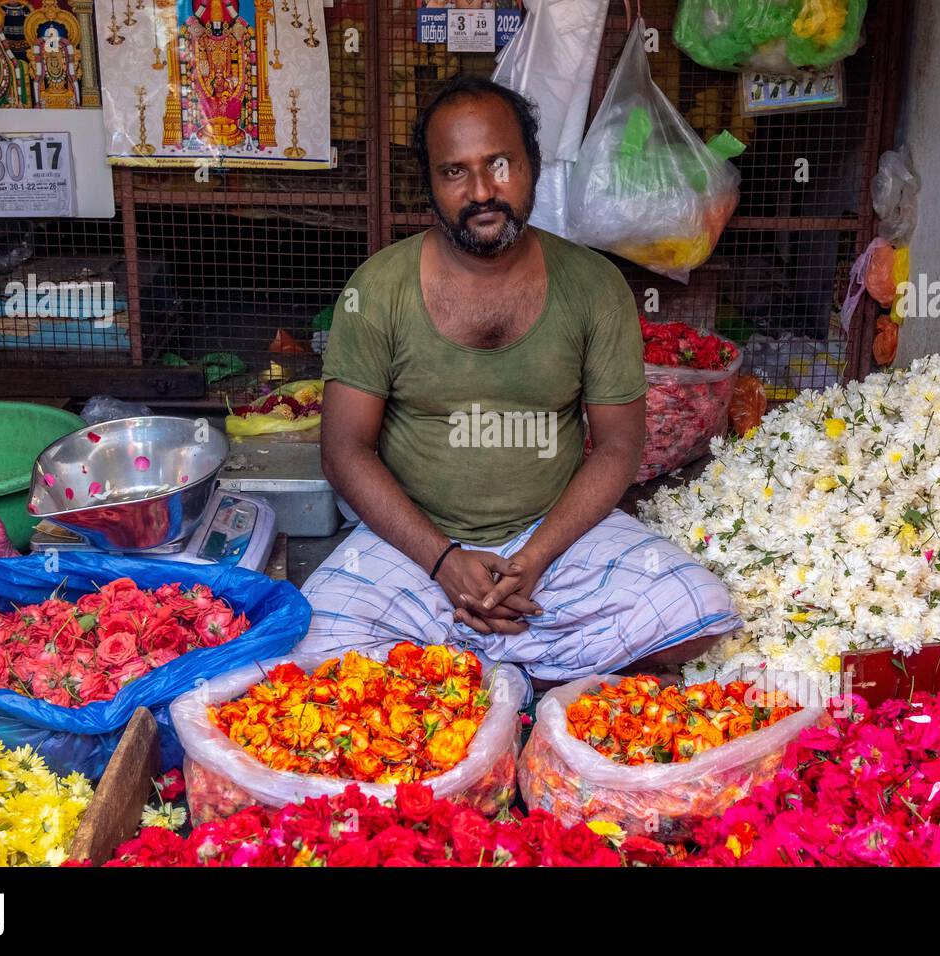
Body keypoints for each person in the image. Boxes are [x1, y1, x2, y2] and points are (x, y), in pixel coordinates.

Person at [295, 75, 741, 687]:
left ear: (532, 166)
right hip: (414, 543)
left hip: (552, 540)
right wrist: (445, 560)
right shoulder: (377, 290)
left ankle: (463, 665)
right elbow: (344, 449)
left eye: (500, 163)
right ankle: (536, 665)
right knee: (310, 645)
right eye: (455, 172)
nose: (482, 191)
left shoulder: (594, 286)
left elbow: (618, 446)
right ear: (429, 184)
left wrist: (533, 559)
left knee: (702, 613)